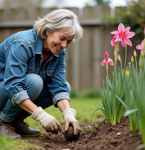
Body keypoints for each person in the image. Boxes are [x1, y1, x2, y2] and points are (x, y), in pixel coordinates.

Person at [0, 9, 83, 139]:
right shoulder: (22, 44)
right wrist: (40, 115)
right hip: (4, 89)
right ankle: (3, 122)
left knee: (66, 87)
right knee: (35, 82)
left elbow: (59, 86)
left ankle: (15, 121)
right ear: (48, 30)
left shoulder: (58, 52)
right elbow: (13, 86)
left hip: (11, 93)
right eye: (62, 38)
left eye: (69, 42)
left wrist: (68, 114)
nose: (64, 45)